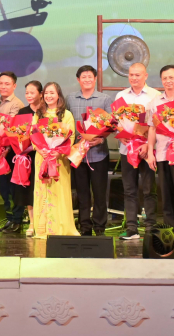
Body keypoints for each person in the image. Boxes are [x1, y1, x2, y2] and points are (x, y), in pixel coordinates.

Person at [65, 65, 115, 237]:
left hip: (99, 153)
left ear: (95, 79)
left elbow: (112, 124)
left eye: (90, 77)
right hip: (78, 154)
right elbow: (66, 123)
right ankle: (84, 226)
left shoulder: (105, 99)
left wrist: (101, 138)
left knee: (100, 192)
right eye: (83, 77)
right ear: (78, 80)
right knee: (82, 192)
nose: (87, 79)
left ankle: (100, 226)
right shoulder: (70, 98)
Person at [114, 62, 161, 240]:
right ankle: (132, 228)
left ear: (146, 76)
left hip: (147, 151)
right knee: (129, 189)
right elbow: (117, 122)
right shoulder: (121, 96)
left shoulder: (154, 96)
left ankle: (150, 227)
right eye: (131, 74)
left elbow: (158, 125)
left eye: (138, 75)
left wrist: (148, 146)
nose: (134, 78)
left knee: (150, 189)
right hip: (127, 150)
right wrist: (122, 133)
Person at [146, 65, 174, 239]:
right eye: (164, 78)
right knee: (165, 195)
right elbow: (151, 129)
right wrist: (151, 152)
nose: (168, 81)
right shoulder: (155, 102)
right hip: (162, 154)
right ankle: (169, 230)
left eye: (171, 77)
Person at [31, 82, 80, 239]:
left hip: (59, 160)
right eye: (46, 93)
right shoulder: (38, 113)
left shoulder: (66, 114)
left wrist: (57, 153)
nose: (48, 96)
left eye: (52, 93)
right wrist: (41, 150)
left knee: (59, 192)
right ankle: (42, 229)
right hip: (42, 158)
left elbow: (70, 137)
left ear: (58, 95)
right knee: (42, 191)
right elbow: (33, 135)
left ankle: (60, 228)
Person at [0, 71, 26, 233]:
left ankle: (17, 220)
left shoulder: (16, 104)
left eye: (7, 84)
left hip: (11, 151)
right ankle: (10, 218)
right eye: (1, 83)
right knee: (3, 187)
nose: (3, 86)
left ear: (14, 86)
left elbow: (12, 128)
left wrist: (6, 148)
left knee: (14, 187)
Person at [19, 80, 43, 236]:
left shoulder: (46, 111)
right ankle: (32, 223)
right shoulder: (22, 112)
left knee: (42, 188)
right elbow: (17, 133)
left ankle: (43, 221)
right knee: (29, 190)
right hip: (27, 156)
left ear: (41, 94)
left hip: (43, 155)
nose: (28, 95)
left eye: (32, 92)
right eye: (27, 92)